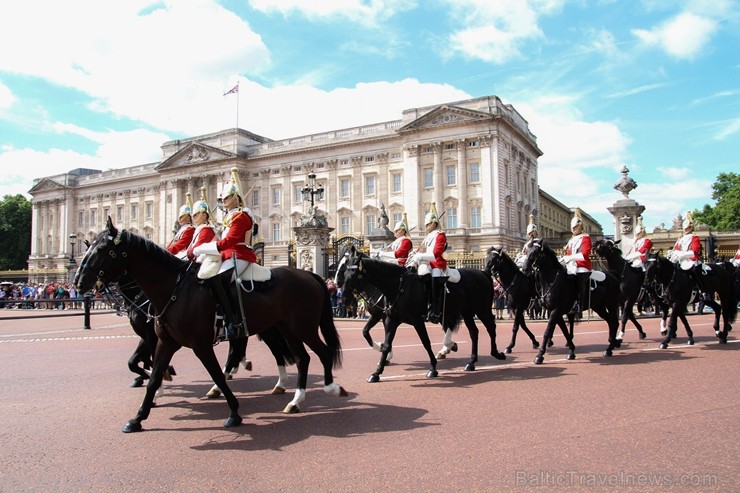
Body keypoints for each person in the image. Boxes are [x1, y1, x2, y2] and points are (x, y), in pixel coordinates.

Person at [192, 168, 258, 341]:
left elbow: (228, 242)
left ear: (236, 197)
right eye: (222, 199)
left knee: (220, 281)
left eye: (227, 198)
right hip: (228, 256)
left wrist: (203, 248)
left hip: (241, 255)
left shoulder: (241, 217)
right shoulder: (230, 217)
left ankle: (233, 323)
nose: (224, 201)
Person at [409, 203, 448, 323]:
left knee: (435, 280)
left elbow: (436, 253)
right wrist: (414, 254)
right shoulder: (427, 237)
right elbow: (421, 249)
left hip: (436, 263)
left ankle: (436, 310)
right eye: (426, 224)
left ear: (434, 223)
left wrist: (420, 255)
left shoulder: (440, 235)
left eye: (428, 224)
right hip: (426, 262)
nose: (426, 226)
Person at [562, 208, 592, 318]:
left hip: (582, 266)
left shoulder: (585, 238)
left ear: (580, 226)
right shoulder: (571, 240)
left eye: (575, 227)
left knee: (579, 278)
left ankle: (579, 305)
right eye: (572, 227)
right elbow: (568, 253)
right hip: (572, 266)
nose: (573, 229)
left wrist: (569, 258)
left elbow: (584, 254)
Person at [668, 211, 705, 295]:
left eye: (687, 228)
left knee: (694, 272)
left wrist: (680, 254)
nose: (685, 229)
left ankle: (702, 291)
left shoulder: (694, 237)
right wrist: (672, 253)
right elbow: (677, 248)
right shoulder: (681, 238)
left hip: (691, 260)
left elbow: (694, 251)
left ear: (691, 227)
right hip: (680, 260)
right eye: (685, 228)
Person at [186, 187, 217, 261]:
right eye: (193, 215)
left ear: (203, 215)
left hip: (204, 260)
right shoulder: (200, 229)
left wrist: (189, 253)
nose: (194, 218)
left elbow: (197, 247)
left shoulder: (207, 230)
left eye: (196, 215)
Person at [166, 193, 195, 259]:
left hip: (182, 255)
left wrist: (167, 252)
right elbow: (173, 243)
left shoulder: (190, 229)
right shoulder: (183, 229)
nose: (181, 219)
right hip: (175, 253)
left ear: (188, 217)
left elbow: (181, 245)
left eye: (182, 216)